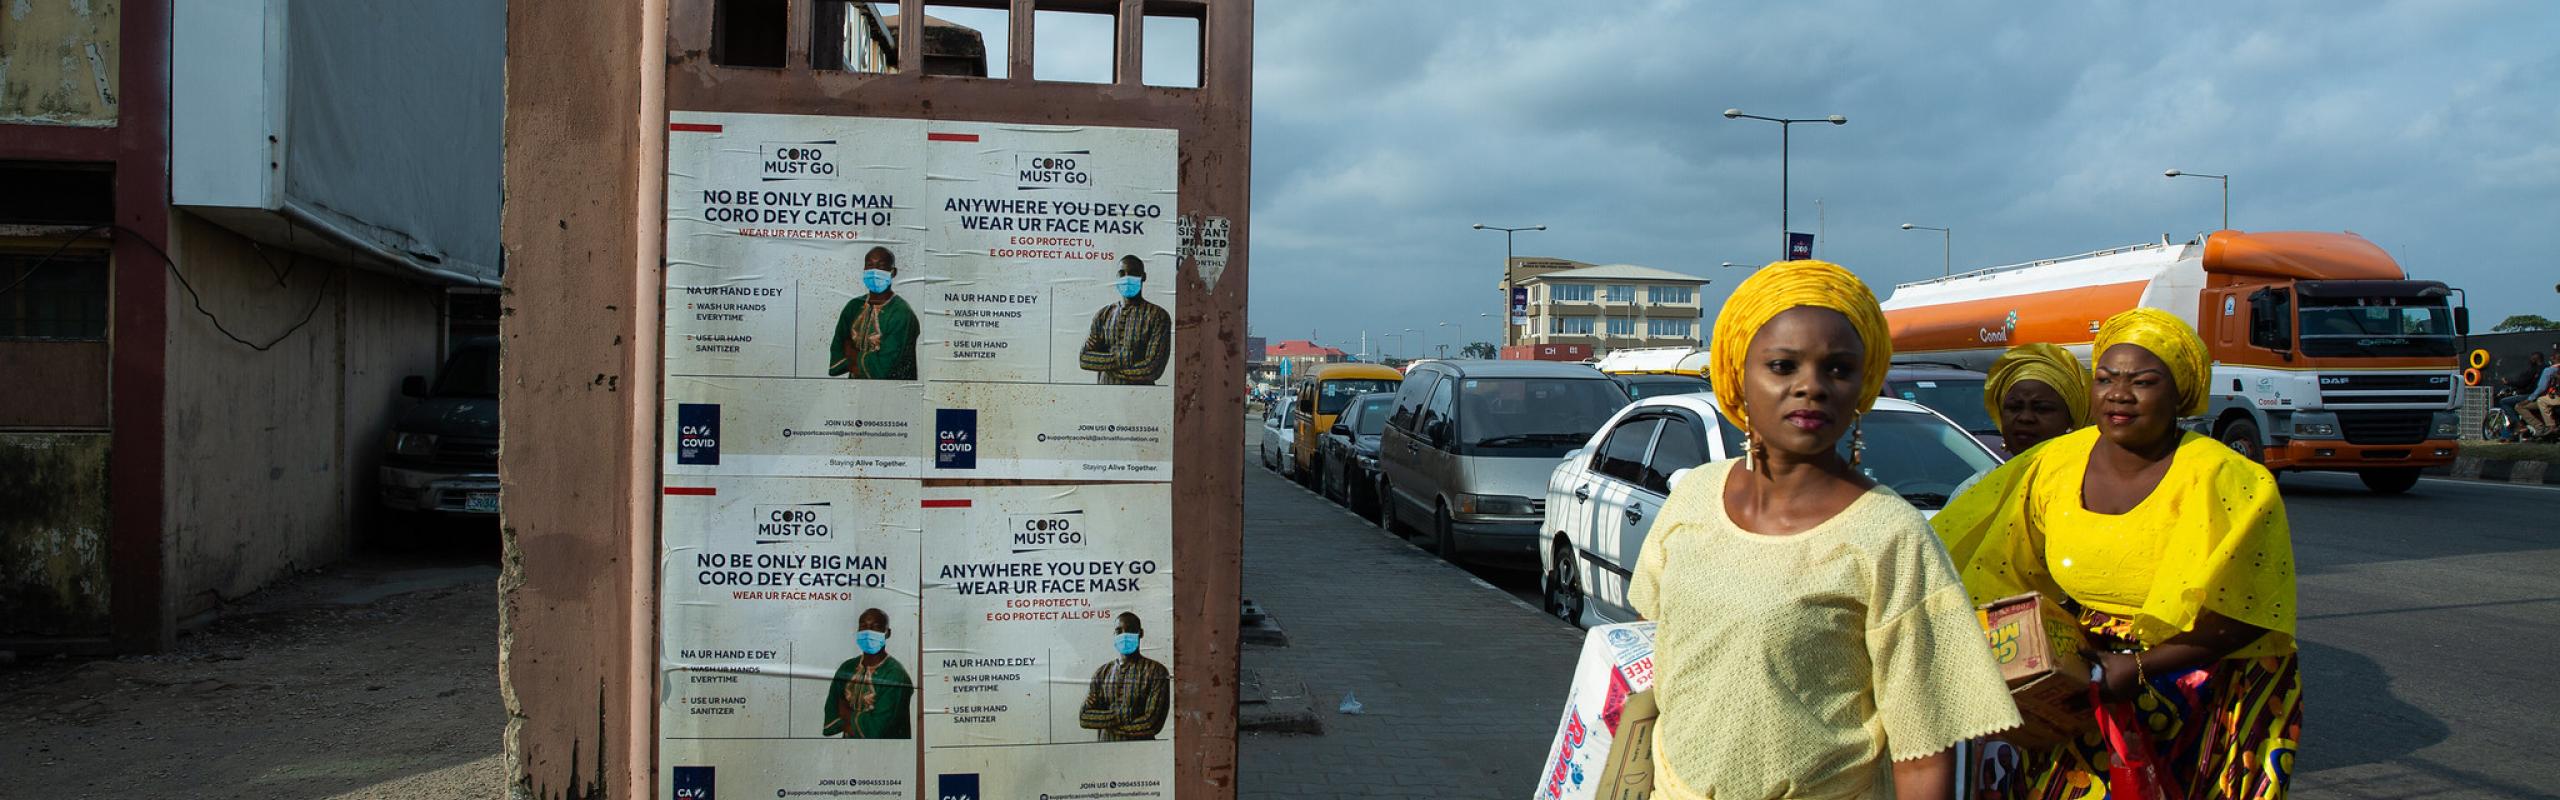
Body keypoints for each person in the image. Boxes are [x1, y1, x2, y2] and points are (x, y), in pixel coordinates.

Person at [1629, 260, 2019, 800]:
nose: (1811, 387)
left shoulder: (1890, 535)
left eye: (1837, 369)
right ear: (1740, 376)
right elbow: (1662, 654)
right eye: (1784, 366)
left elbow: (1924, 749)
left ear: (1861, 385)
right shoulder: (1694, 497)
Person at [1932, 308, 2301, 800]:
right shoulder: (2053, 465)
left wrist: (2143, 666)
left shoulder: (2226, 478)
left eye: (2142, 381)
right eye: (2105, 379)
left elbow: (2253, 611)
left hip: (2206, 686)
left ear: (2180, 394)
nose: (2119, 394)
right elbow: (1999, 565)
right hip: (2085, 678)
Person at [1077, 256, 1173, 386]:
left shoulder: (1157, 316)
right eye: (1122, 274)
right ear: (1117, 278)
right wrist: (1120, 359)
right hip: (1105, 394)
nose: (1127, 278)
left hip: (1142, 396)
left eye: (1133, 273)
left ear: (1143, 276)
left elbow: (1153, 368)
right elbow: (1084, 359)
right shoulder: (1104, 315)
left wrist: (1108, 368)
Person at [827, 246, 919, 380]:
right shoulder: (853, 307)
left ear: (893, 272)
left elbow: (885, 367)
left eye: (881, 267)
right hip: (855, 390)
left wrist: (852, 355)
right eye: (870, 266)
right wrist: (859, 361)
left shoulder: (901, 313)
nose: (874, 271)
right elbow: (838, 347)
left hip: (893, 393)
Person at [1984, 343, 2091, 458]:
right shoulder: (1989, 476)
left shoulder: (2086, 475)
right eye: (2014, 407)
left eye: (2042, 409)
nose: (2025, 418)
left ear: (2071, 419)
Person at [821, 608, 914, 739]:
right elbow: (832, 709)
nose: (868, 632)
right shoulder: (847, 668)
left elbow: (878, 729)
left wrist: (846, 714)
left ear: (887, 633)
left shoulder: (896, 676)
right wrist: (857, 721)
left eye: (875, 627)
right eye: (863, 627)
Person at [1077, 612, 1171, 741]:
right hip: (1105, 751)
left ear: (1140, 633)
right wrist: (1127, 715)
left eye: (1130, 630)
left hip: (1142, 753)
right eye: (1119, 631)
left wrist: (1109, 725)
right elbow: (1084, 718)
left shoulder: (1156, 672)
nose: (1124, 635)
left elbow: (1152, 724)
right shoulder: (1102, 673)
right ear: (1114, 635)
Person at [2521, 346, 2560, 436]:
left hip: (2552, 397)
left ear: (2553, 358)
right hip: (2553, 396)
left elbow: (2541, 388)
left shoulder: (2549, 370)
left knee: (2540, 401)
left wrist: (2529, 399)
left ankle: (2547, 427)